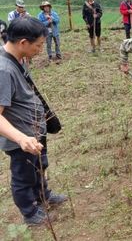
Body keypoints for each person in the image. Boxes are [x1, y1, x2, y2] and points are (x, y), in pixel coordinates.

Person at [0, 18, 66, 225]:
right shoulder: (3, 70)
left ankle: (42, 195)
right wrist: (21, 139)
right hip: (22, 137)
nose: (40, 50)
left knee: (39, 165)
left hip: (34, 130)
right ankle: (30, 213)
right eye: (38, 45)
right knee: (24, 175)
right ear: (23, 43)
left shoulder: (17, 58)